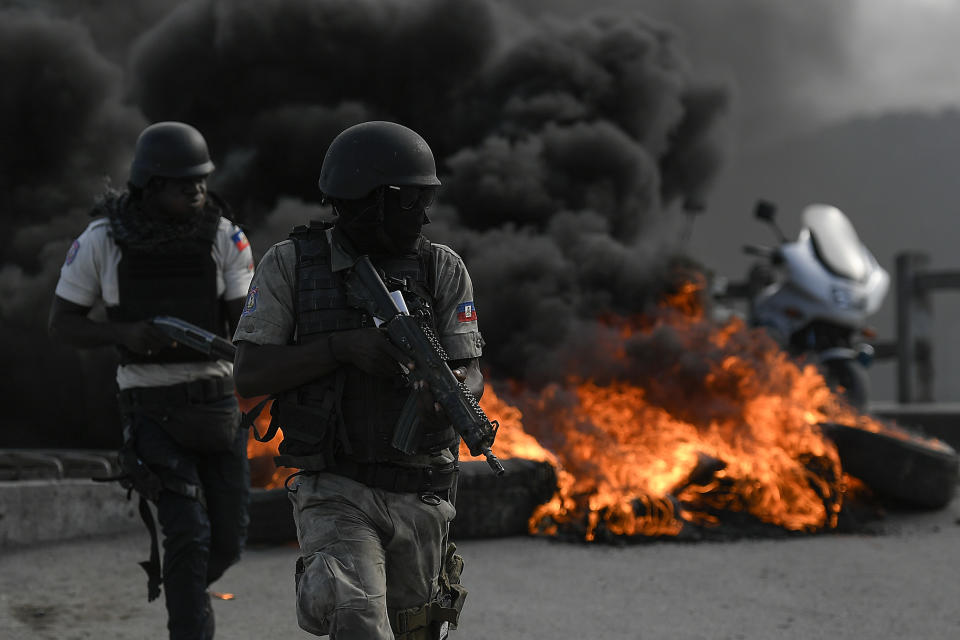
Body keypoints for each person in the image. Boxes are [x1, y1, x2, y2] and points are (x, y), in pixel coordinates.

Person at [233, 120, 484, 640]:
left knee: (418, 628)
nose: (425, 213)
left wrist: (451, 393)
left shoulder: (442, 268)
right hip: (335, 487)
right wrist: (341, 349)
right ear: (372, 200)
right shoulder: (292, 265)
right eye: (412, 200)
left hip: (422, 488)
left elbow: (469, 368)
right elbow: (250, 372)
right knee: (358, 621)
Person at [48, 121, 253, 640]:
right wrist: (129, 332)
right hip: (151, 410)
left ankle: (184, 589)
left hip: (218, 408)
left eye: (201, 179)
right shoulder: (102, 240)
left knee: (227, 541)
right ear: (151, 185)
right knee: (187, 533)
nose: (197, 189)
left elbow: (247, 325)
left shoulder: (224, 236)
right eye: (183, 182)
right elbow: (63, 323)